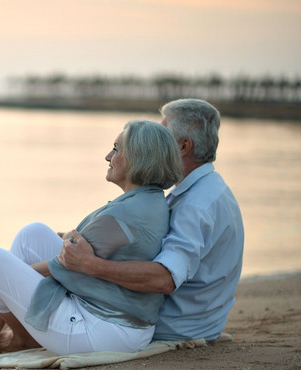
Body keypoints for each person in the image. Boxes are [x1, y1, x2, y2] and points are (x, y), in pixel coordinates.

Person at [0, 120, 184, 356]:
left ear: (137, 157)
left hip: (103, 332)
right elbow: (80, 253)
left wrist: (6, 281)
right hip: (126, 326)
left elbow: (64, 265)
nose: (107, 156)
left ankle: (20, 337)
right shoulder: (149, 200)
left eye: (116, 149)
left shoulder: (123, 214)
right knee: (32, 234)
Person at [60, 99, 244, 342]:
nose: (151, 137)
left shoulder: (195, 206)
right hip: (198, 321)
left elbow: (165, 278)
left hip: (174, 326)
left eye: (162, 131)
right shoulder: (210, 188)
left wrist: (90, 264)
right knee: (51, 248)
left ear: (183, 146)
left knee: (63, 275)